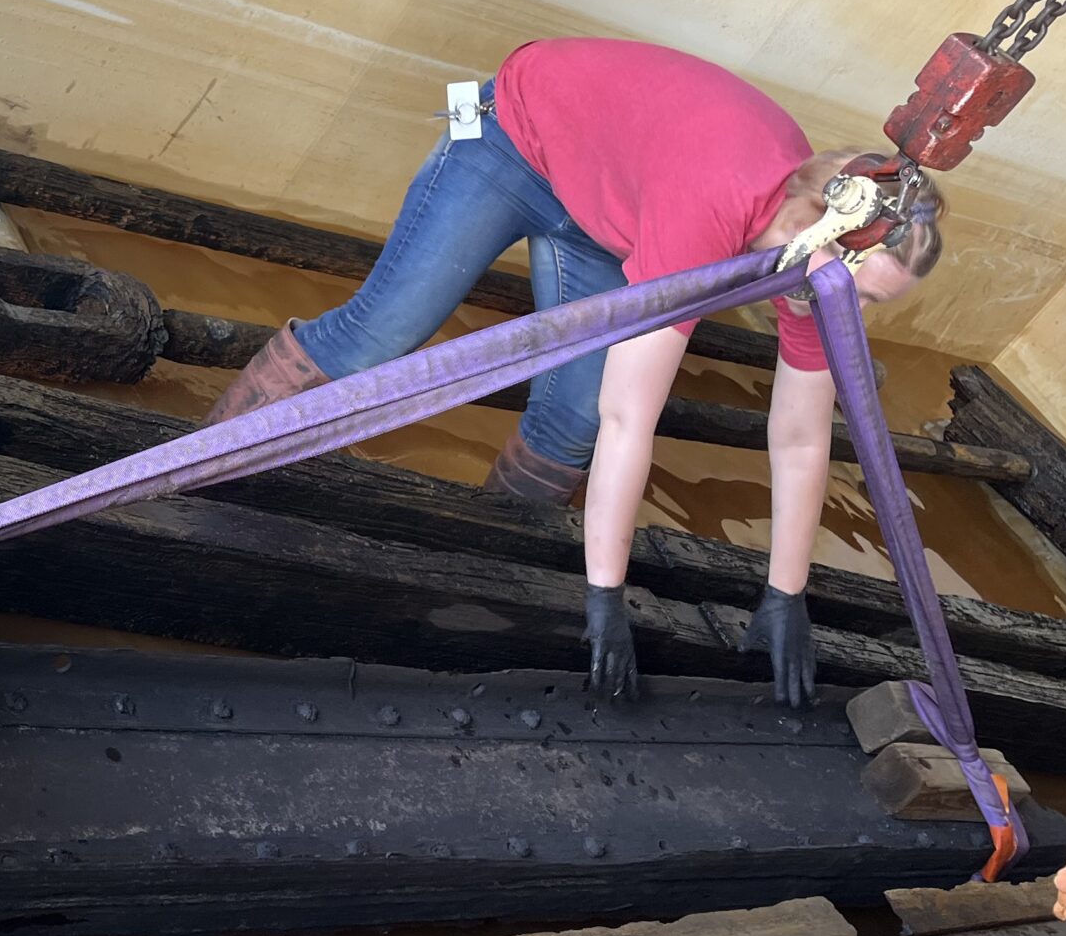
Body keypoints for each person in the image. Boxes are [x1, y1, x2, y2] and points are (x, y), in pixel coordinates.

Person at [204, 37, 945, 710]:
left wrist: (786, 595)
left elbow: (801, 437)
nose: (850, 311)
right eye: (857, 292)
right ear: (810, 220)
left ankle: (485, 562)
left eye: (868, 303)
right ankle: (209, 466)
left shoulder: (817, 268)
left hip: (607, 207)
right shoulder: (716, 214)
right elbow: (636, 417)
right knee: (381, 337)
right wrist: (605, 597)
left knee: (574, 420)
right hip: (515, 141)